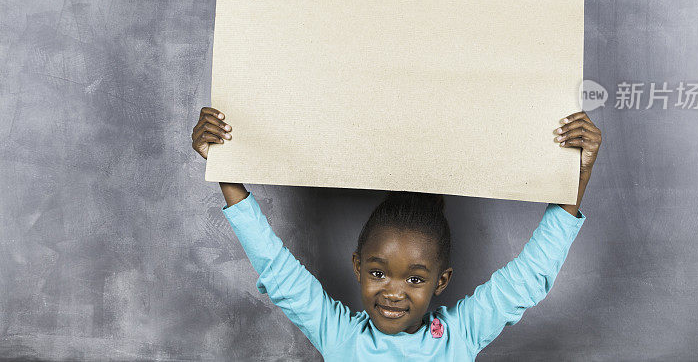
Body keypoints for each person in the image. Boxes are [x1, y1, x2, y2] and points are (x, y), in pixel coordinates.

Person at [191, 107, 601, 360]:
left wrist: (577, 173)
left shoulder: (459, 336)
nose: (393, 291)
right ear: (357, 267)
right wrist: (226, 169)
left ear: (441, 282)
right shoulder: (339, 335)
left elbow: (528, 278)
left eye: (416, 279)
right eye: (378, 272)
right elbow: (277, 269)